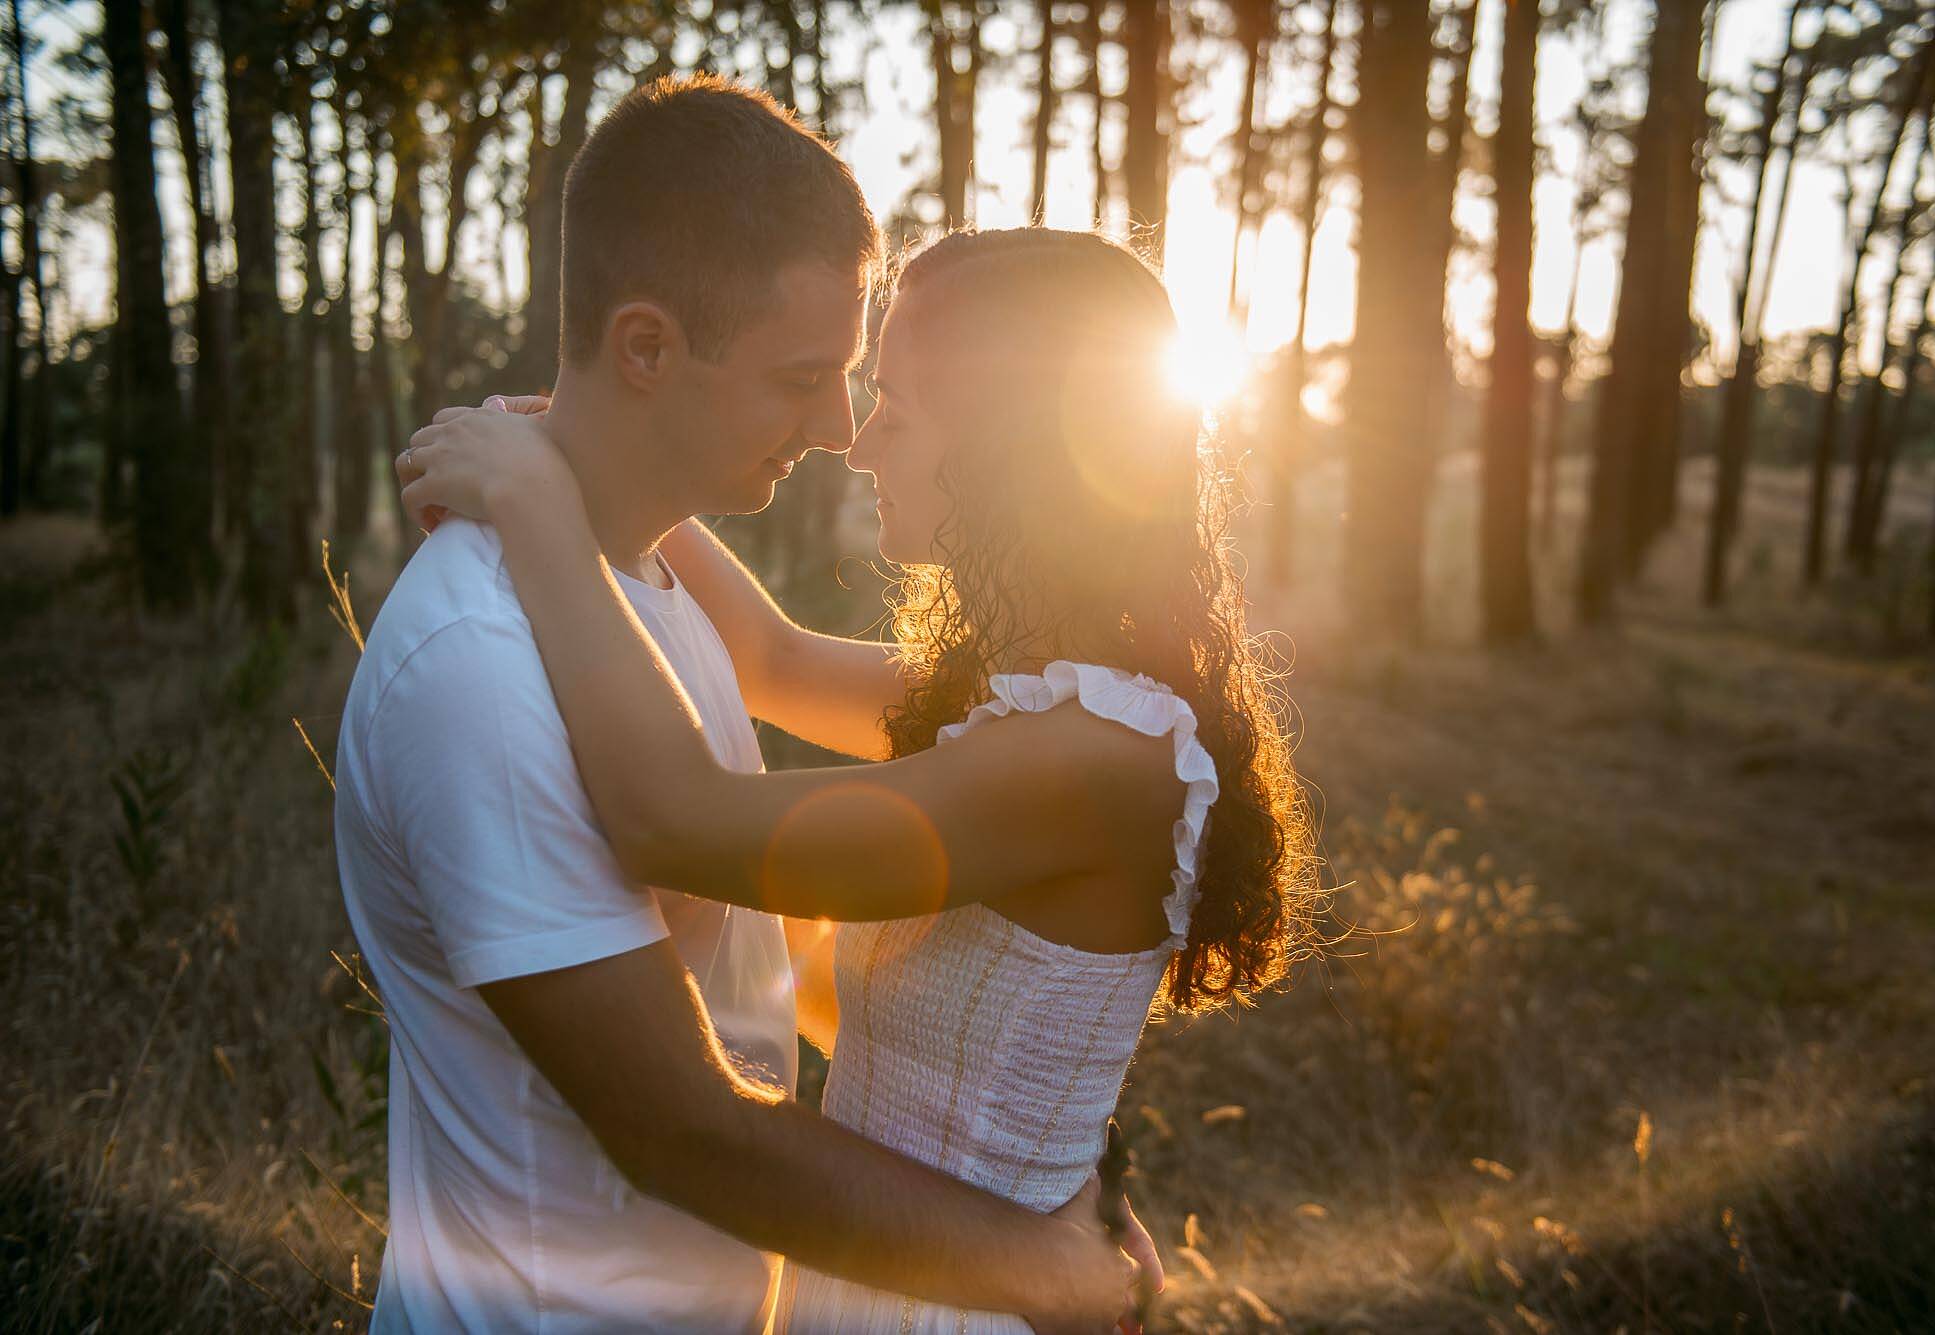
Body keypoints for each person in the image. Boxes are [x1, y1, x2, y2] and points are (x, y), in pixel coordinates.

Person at [395, 226, 1322, 1332]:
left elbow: (672, 821)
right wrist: (581, 447)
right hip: (898, 1271)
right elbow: (771, 659)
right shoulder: (1016, 699)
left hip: (962, 1303)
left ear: (1012, 450)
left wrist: (541, 509)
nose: (858, 442)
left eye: (897, 408)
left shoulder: (1096, 753)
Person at [334, 75, 1149, 1334]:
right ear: (648, 347)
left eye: (869, 388)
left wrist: (1052, 1159)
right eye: (804, 376)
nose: (838, 428)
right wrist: (1033, 1255)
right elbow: (677, 1127)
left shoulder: (646, 605)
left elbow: (752, 962)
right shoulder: (483, 662)